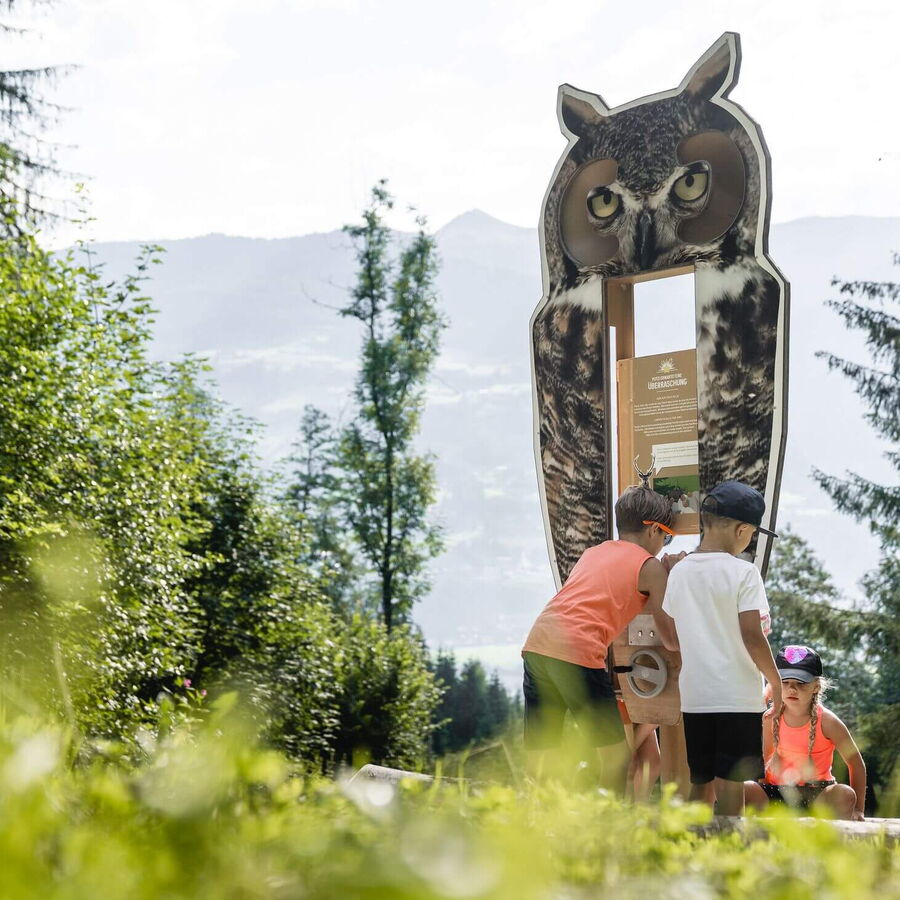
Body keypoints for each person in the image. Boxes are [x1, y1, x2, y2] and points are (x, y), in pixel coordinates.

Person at [521, 486, 680, 792]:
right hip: (577, 651)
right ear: (652, 530)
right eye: (667, 536)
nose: (664, 543)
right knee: (617, 757)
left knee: (542, 756)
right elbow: (671, 640)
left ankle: (535, 826)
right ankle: (608, 830)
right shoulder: (651, 567)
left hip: (538, 643)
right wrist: (670, 577)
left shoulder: (594, 552)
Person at [660, 480, 782, 816]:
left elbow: (670, 634)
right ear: (743, 529)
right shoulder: (744, 573)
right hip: (736, 698)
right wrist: (776, 681)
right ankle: (731, 850)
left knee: (701, 779)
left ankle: (694, 851)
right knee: (732, 782)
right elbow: (752, 636)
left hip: (695, 697)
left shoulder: (680, 572)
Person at [744, 646, 866, 820]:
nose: (792, 689)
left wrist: (859, 809)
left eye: (800, 683)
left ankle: (831, 836)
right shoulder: (770, 718)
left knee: (845, 793)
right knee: (742, 789)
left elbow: (856, 763)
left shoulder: (828, 722)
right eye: (785, 682)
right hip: (776, 792)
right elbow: (764, 761)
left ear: (816, 686)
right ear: (776, 684)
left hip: (818, 794)